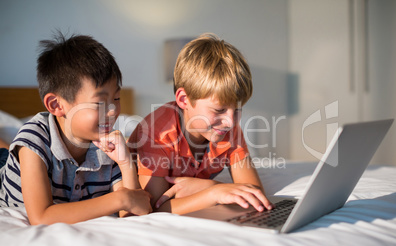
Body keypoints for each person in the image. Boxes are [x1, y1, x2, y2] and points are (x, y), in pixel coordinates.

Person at [0, 32, 152, 225]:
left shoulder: (108, 145)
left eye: (116, 99)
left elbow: (134, 213)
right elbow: (41, 217)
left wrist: (126, 164)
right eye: (100, 103)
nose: (113, 111)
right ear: (56, 105)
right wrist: (120, 198)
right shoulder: (34, 139)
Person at [128, 33, 274, 215]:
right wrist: (213, 193)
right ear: (183, 99)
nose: (230, 121)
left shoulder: (228, 128)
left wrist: (209, 185)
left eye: (237, 110)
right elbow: (154, 208)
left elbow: (253, 192)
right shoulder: (156, 133)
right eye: (219, 110)